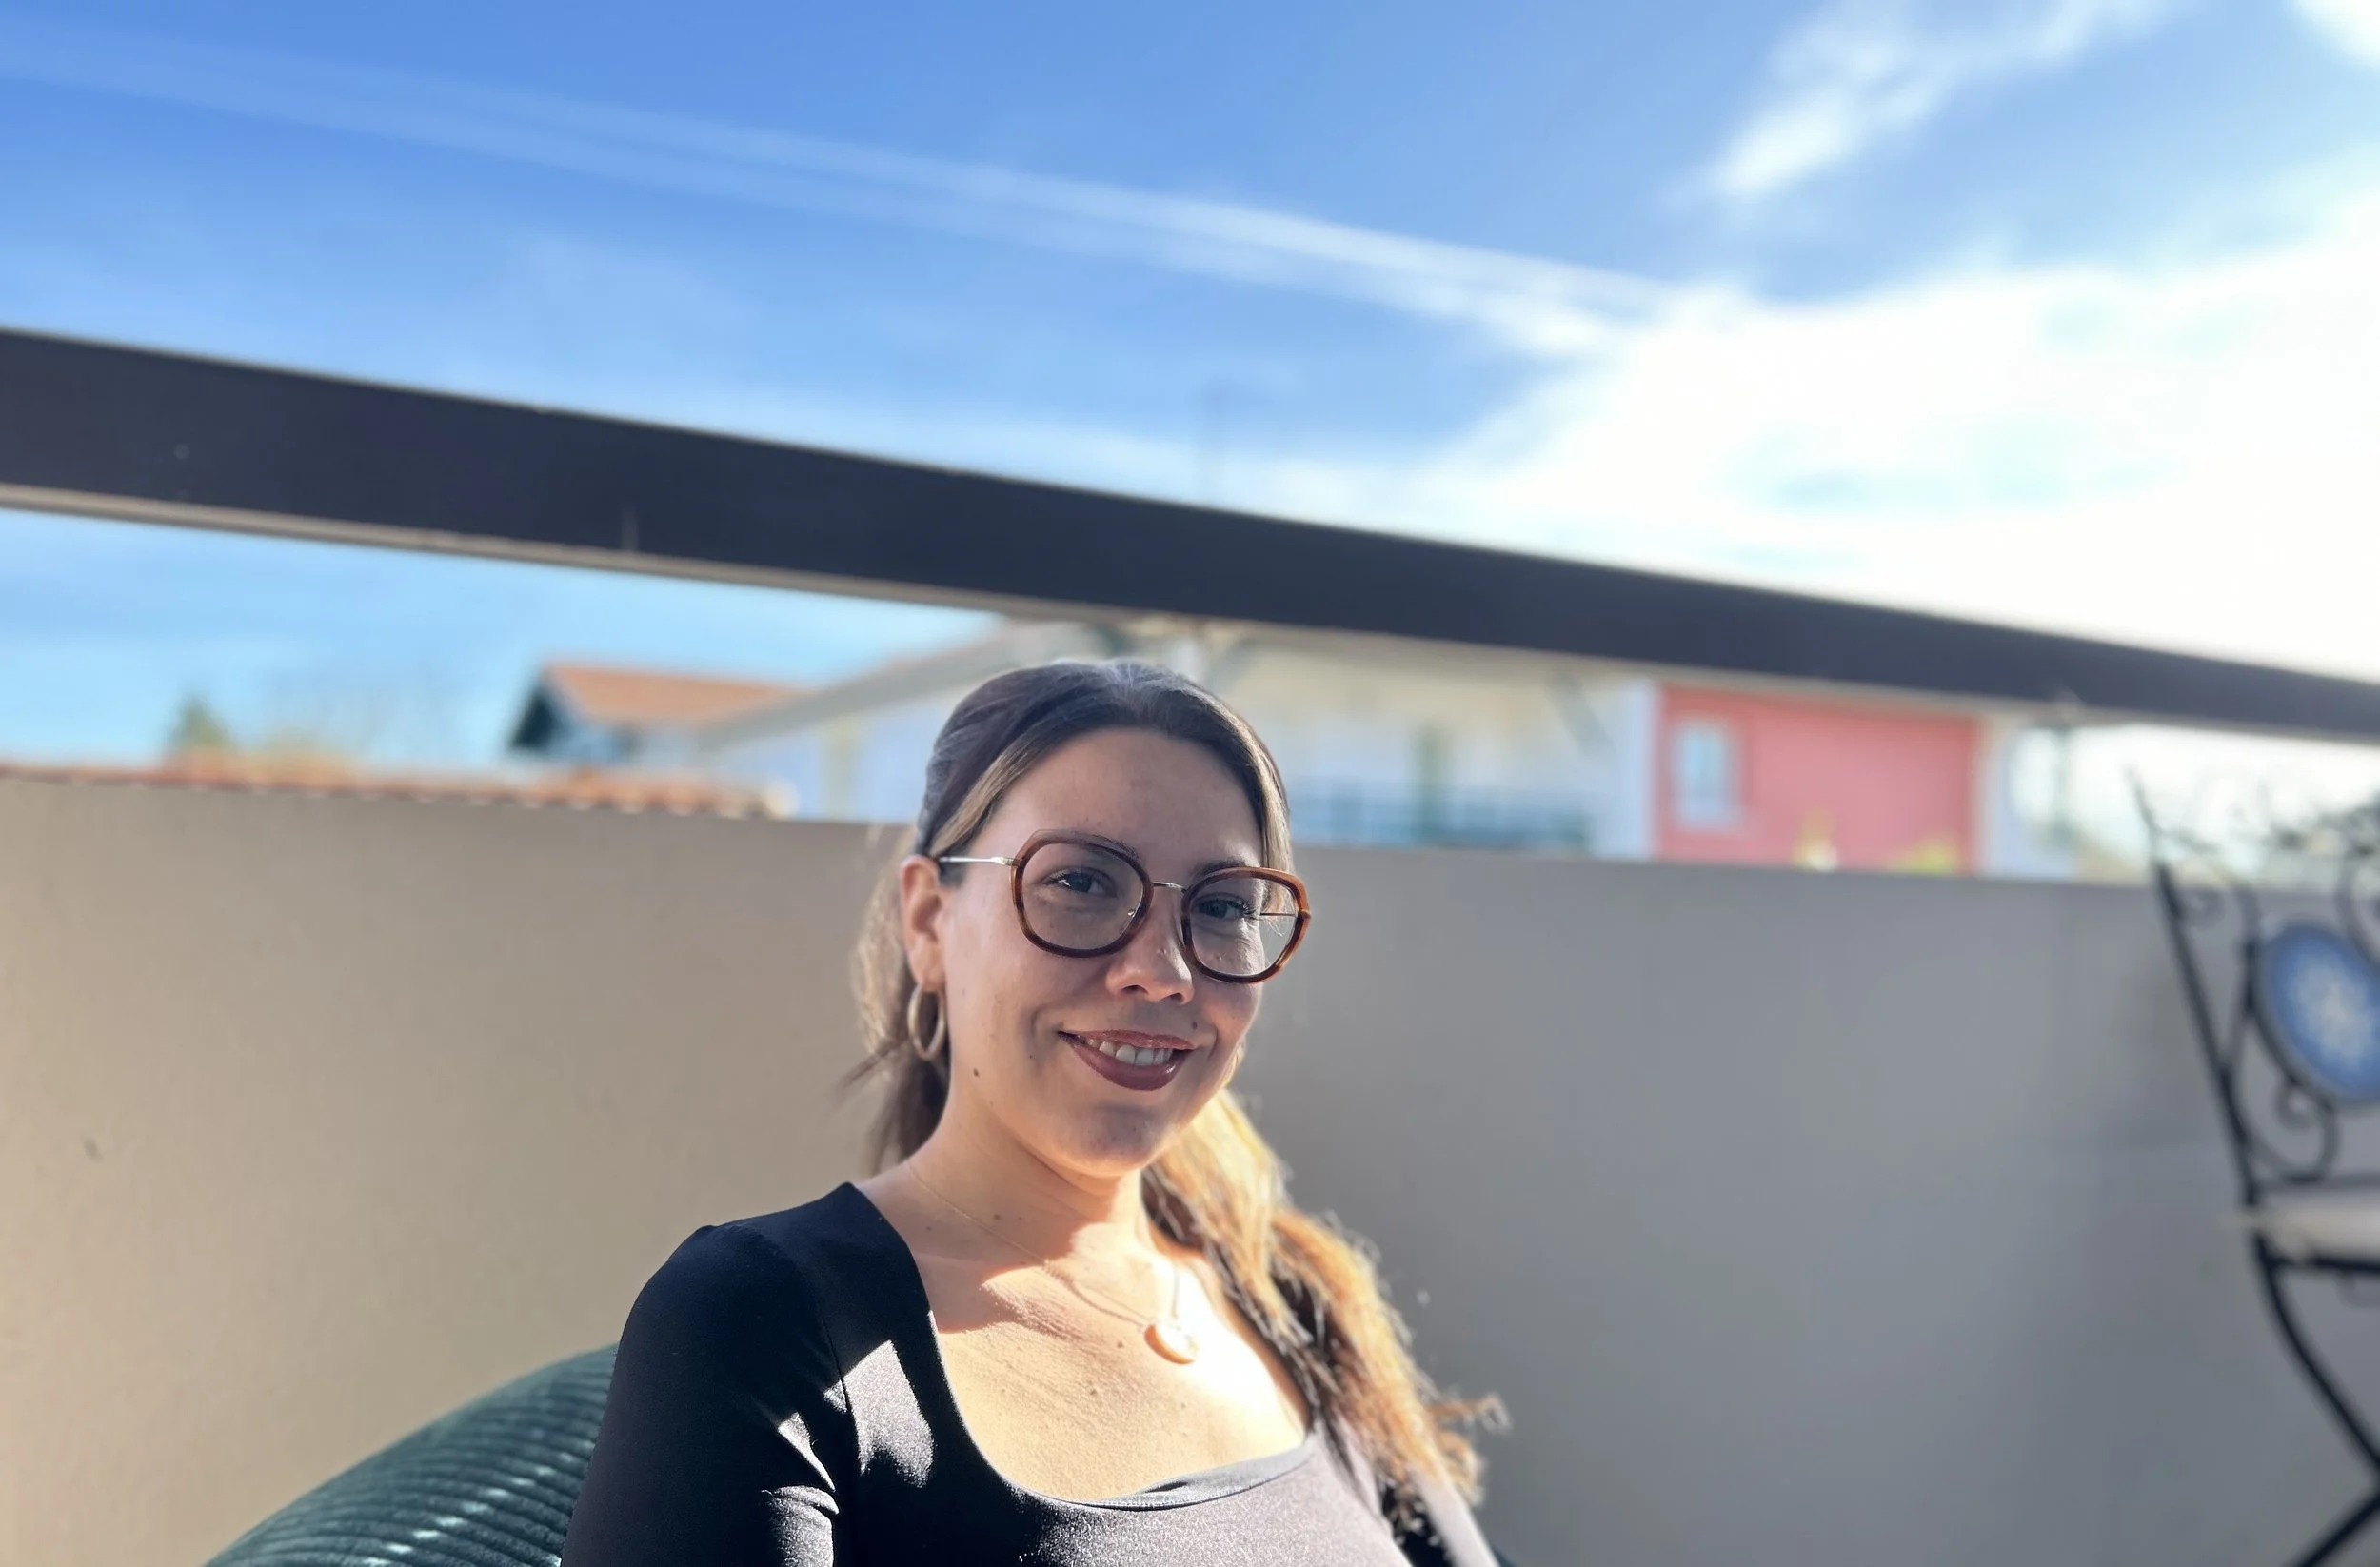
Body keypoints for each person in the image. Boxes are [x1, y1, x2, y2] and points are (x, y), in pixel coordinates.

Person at [561, 659, 1500, 1565]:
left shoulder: (1293, 1299)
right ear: (930, 920)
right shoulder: (767, 1320)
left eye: (1221, 907)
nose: (1163, 970)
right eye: (1083, 881)